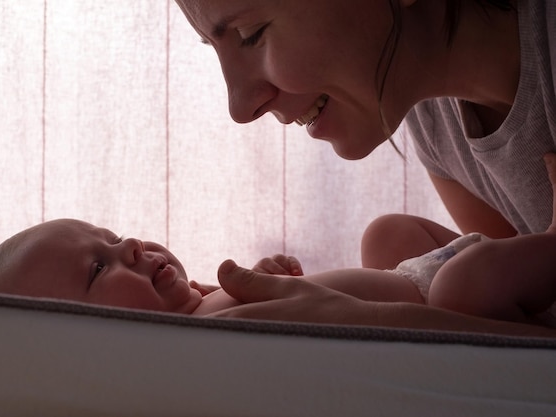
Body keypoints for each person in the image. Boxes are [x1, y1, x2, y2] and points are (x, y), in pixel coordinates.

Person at [173, 0, 556, 323]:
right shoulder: (436, 122)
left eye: (251, 34)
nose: (239, 108)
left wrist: (373, 323)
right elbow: (526, 308)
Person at [0, 154, 556, 331]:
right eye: (98, 268)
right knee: (466, 279)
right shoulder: (197, 344)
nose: (130, 248)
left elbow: (287, 300)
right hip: (452, 300)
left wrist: (275, 273)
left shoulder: (206, 303)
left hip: (420, 275)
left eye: (116, 237)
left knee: (385, 233)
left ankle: (525, 262)